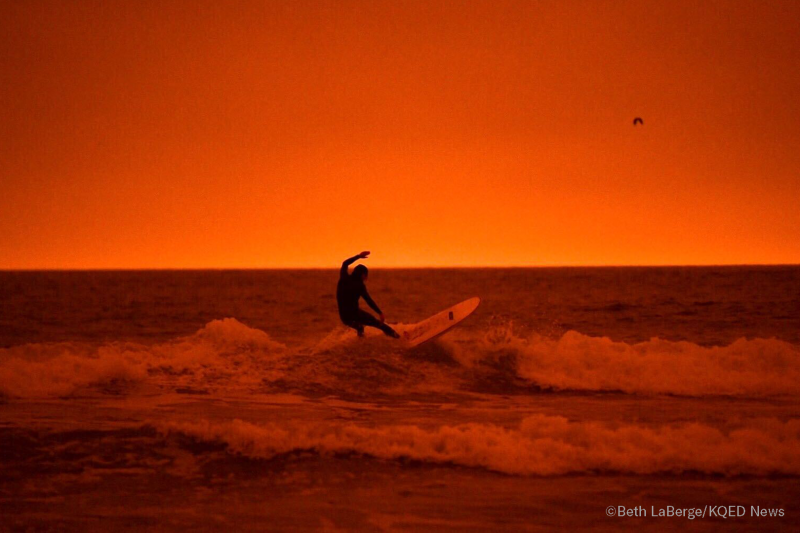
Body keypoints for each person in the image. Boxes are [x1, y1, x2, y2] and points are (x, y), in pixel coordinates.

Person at [337, 251, 400, 338]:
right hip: (354, 314)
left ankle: (360, 343)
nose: (366, 278)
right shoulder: (360, 286)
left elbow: (345, 263)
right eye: (366, 275)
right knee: (378, 324)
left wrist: (358, 256)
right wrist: (380, 313)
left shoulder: (344, 278)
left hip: (344, 316)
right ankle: (398, 337)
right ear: (363, 275)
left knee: (360, 327)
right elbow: (368, 300)